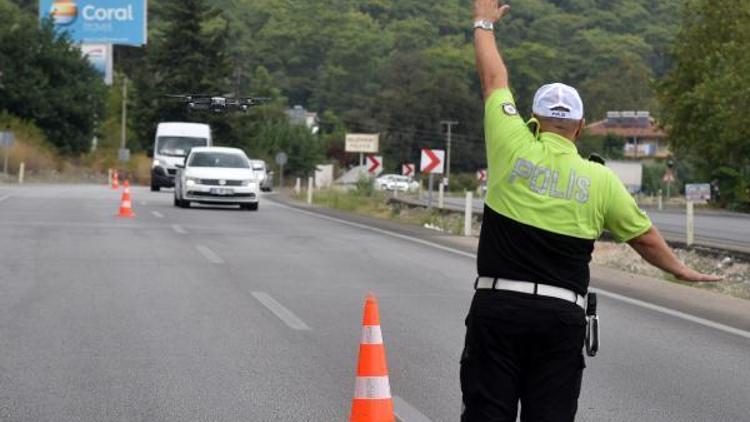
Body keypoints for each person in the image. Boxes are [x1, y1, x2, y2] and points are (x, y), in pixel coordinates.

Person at [460, 1, 723, 421]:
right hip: (560, 316)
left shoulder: (510, 144)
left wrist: (484, 22)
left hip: (498, 307)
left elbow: (494, 79)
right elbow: (645, 237)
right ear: (580, 128)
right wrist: (680, 270)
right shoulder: (601, 181)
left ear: (533, 121)